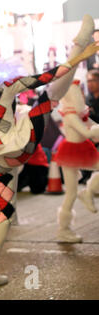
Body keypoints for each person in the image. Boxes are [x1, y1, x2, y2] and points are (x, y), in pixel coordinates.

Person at [0, 14, 99, 289]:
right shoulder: (7, 83)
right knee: (49, 97)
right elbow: (49, 76)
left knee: (4, 213)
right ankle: (80, 41)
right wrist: (80, 56)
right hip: (19, 144)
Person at [54, 80, 99, 242]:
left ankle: (88, 192)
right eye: (78, 93)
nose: (81, 95)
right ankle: (63, 230)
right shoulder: (71, 115)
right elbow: (87, 132)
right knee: (71, 193)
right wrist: (95, 130)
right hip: (72, 151)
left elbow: (92, 126)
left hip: (80, 149)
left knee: (71, 193)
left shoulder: (77, 113)